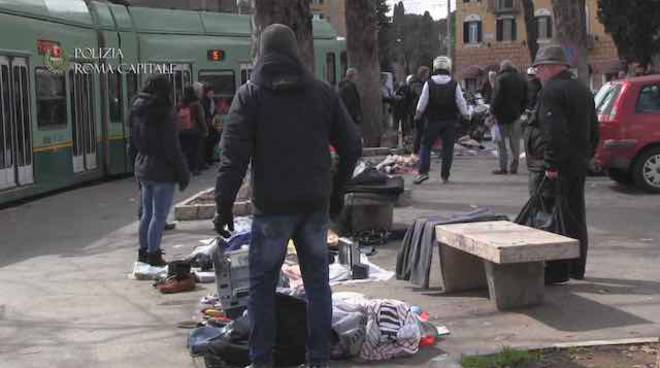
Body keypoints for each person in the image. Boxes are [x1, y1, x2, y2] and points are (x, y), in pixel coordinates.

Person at [212, 24, 361, 368]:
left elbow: (232, 159)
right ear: (295, 52)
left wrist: (223, 207)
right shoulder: (322, 93)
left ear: (262, 52)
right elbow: (352, 146)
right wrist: (336, 192)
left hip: (272, 208)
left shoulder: (250, 95)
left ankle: (262, 360)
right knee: (318, 284)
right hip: (313, 205)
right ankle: (319, 359)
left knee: (262, 288)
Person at [533, 44, 600, 282]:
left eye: (539, 69)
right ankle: (576, 267)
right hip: (578, 162)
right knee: (575, 215)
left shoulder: (551, 92)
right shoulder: (582, 89)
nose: (538, 75)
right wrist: (587, 155)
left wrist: (551, 165)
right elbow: (594, 129)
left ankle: (558, 269)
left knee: (555, 217)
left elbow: (553, 132)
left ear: (551, 68)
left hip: (559, 165)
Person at [131, 75, 190, 266]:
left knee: (147, 213)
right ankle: (154, 253)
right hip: (162, 170)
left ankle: (143, 251)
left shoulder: (137, 109)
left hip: (142, 165)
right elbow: (172, 147)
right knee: (159, 215)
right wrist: (183, 172)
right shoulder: (166, 112)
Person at [413, 56, 470, 185]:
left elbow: (422, 102)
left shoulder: (429, 83)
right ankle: (445, 175)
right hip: (450, 121)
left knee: (426, 145)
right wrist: (466, 117)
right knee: (448, 148)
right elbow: (461, 102)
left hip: (432, 120)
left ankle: (423, 172)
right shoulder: (454, 84)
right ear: (448, 68)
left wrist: (417, 116)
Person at [490, 60, 528, 175]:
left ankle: (503, 167)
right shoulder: (521, 79)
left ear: (502, 68)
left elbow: (496, 97)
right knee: (515, 142)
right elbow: (526, 98)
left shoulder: (500, 79)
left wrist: (492, 111)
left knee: (501, 144)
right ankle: (514, 166)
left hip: (501, 115)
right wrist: (520, 111)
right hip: (516, 115)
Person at [178, 86, 207, 176]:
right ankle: (194, 169)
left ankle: (182, 170)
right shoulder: (196, 104)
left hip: (182, 131)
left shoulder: (180, 104)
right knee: (195, 151)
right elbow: (201, 119)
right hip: (194, 131)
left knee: (183, 151)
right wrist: (205, 129)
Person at [410, 66, 430, 155]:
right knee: (420, 131)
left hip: (421, 110)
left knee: (422, 131)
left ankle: (419, 149)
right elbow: (420, 95)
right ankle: (416, 150)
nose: (428, 76)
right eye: (427, 74)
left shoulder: (422, 83)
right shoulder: (416, 84)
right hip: (417, 110)